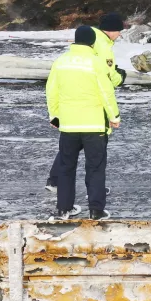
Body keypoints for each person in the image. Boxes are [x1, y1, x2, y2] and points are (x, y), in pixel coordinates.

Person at [45, 26, 120, 220]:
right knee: (95, 168)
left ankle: (64, 209)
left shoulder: (60, 62)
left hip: (69, 126)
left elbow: (51, 91)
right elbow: (106, 92)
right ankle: (96, 210)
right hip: (94, 126)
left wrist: (55, 115)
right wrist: (114, 116)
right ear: (92, 42)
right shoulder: (96, 63)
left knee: (66, 167)